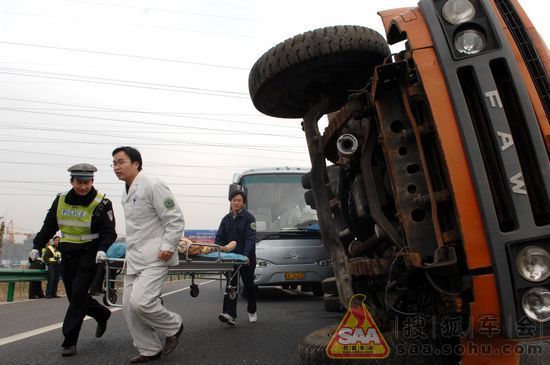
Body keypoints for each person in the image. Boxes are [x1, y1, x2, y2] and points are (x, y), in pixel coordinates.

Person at [28, 163, 116, 357]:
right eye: (78, 182)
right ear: (71, 181)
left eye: (86, 182)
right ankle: (102, 313)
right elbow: (49, 226)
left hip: (90, 255)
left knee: (77, 295)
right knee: (75, 296)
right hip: (67, 255)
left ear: (92, 181)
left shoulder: (102, 203)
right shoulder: (60, 200)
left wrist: (102, 249)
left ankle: (69, 340)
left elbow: (109, 232)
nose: (83, 187)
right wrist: (37, 245)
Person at [112, 146, 185, 363]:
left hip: (157, 255)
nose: (117, 167)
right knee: (129, 307)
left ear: (136, 163)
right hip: (134, 256)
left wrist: (168, 245)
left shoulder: (153, 185)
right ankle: (149, 349)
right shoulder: (125, 192)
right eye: (114, 163)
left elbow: (175, 218)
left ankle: (174, 326)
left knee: (141, 302)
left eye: (121, 162)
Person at [215, 190, 257, 326]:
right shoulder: (225, 219)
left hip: (246, 259)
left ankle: (252, 309)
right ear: (231, 202)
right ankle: (229, 314)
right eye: (234, 200)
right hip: (230, 259)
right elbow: (219, 238)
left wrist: (245, 255)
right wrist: (219, 250)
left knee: (249, 286)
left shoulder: (249, 218)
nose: (236, 202)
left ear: (243, 203)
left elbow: (250, 238)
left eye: (239, 200)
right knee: (231, 285)